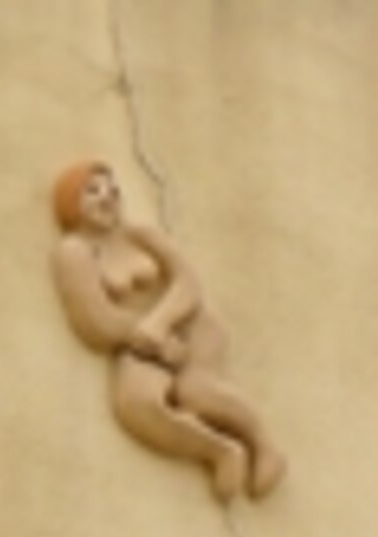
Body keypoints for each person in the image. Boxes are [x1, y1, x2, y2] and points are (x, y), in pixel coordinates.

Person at [50, 160, 284, 504]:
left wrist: (159, 323)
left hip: (189, 327)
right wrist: (152, 341)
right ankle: (221, 451)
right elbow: (95, 322)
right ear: (72, 203)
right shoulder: (74, 252)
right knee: (138, 405)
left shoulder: (141, 236)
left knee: (196, 392)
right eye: (93, 190)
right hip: (137, 344)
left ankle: (265, 446)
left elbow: (187, 282)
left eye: (112, 190)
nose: (107, 198)